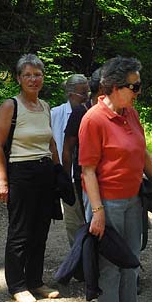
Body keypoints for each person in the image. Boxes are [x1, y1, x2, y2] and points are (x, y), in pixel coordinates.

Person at [79, 56, 152, 302]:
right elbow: (87, 170)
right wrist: (97, 212)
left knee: (131, 264)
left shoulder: (131, 113)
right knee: (110, 268)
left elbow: (142, 153)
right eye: (134, 87)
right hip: (107, 204)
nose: (138, 92)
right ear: (114, 87)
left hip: (133, 200)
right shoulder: (93, 119)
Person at [0, 54, 60, 302]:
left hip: (45, 172)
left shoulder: (45, 106)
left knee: (41, 229)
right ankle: (17, 285)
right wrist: (2, 180)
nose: (33, 79)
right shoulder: (11, 106)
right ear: (19, 78)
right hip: (20, 172)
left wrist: (58, 169)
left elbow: (50, 142)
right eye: (28, 75)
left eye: (38, 74)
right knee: (20, 231)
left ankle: (35, 280)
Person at [51, 74, 90, 246]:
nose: (87, 96)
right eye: (83, 93)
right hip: (68, 176)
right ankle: (78, 261)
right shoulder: (55, 114)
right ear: (70, 93)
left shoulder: (91, 111)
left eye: (88, 92)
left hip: (88, 175)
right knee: (73, 222)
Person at [62, 68, 102, 236]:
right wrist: (66, 179)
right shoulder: (80, 111)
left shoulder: (119, 110)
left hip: (107, 177)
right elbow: (67, 148)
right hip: (84, 176)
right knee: (91, 222)